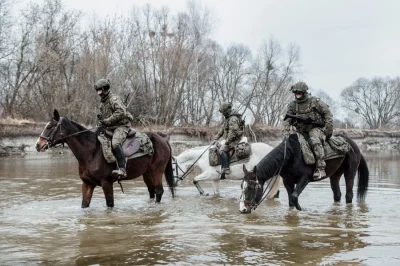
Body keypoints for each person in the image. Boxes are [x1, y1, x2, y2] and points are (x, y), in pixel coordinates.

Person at [282, 81, 333, 180]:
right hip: (300, 130)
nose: (298, 95)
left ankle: (321, 168)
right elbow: (287, 120)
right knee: (289, 143)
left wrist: (328, 130)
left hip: (315, 128)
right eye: (296, 93)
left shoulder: (315, 102)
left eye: (300, 93)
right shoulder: (293, 105)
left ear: (304, 92)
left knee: (314, 140)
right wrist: (285, 132)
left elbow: (327, 114)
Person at [95, 78, 133, 179]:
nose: (98, 93)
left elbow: (121, 112)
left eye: (100, 90)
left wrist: (107, 121)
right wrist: (100, 125)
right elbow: (102, 117)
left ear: (105, 89)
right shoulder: (102, 103)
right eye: (97, 91)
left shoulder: (114, 99)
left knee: (115, 143)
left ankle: (122, 169)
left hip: (121, 126)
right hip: (110, 127)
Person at [213, 102, 244, 180]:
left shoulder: (233, 119)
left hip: (235, 140)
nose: (222, 114)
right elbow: (222, 130)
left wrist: (227, 142)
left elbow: (232, 132)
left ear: (227, 111)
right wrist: (215, 138)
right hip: (230, 139)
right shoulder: (228, 118)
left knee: (222, 150)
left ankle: (226, 168)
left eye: (223, 112)